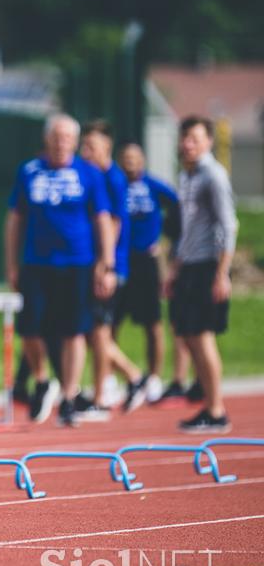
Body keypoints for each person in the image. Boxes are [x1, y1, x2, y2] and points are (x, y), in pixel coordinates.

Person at [5, 114, 115, 427]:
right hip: (37, 263)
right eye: (56, 136)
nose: (61, 142)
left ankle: (68, 395)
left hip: (77, 263)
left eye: (67, 137)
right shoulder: (29, 171)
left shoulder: (89, 174)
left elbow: (103, 219)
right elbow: (14, 220)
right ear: (46, 139)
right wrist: (11, 264)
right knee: (29, 328)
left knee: (74, 331)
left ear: (76, 141)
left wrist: (106, 264)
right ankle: (42, 380)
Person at [167, 116, 238, 433]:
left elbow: (228, 225)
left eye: (194, 138)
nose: (187, 144)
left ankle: (216, 409)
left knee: (202, 335)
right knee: (188, 334)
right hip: (190, 264)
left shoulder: (213, 175)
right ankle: (207, 401)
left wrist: (222, 273)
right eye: (185, 138)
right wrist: (176, 267)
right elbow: (188, 228)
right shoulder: (188, 175)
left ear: (208, 141)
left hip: (209, 264)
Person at [77, 121, 150, 420]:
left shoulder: (113, 179)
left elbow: (115, 223)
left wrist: (105, 265)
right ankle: (132, 378)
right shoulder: (94, 176)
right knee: (93, 334)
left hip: (110, 266)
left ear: (106, 149)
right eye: (84, 146)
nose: (85, 152)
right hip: (95, 264)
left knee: (98, 333)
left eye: (91, 147)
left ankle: (103, 395)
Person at [115, 142, 188, 406]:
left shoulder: (154, 186)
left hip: (146, 261)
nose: (130, 162)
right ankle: (112, 379)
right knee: (111, 322)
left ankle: (154, 378)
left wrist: (166, 243)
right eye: (125, 158)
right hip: (120, 260)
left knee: (153, 323)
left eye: (135, 157)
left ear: (143, 160)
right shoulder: (115, 186)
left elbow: (179, 209)